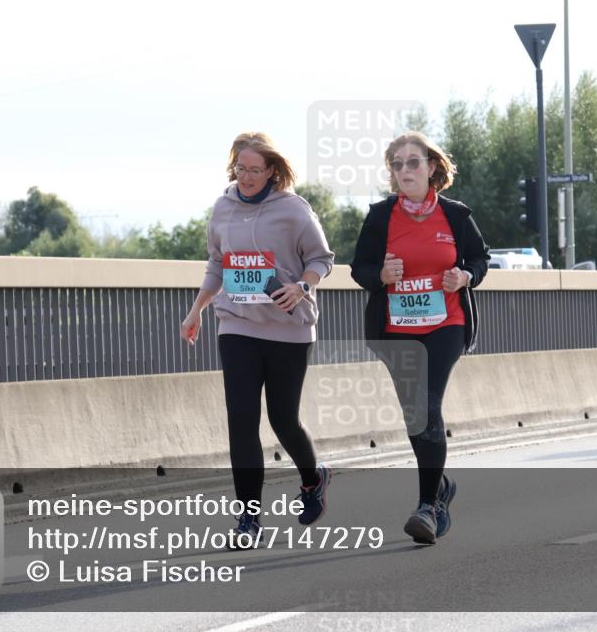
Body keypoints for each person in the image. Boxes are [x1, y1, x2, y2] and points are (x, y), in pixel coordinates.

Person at [181, 132, 335, 547]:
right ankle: (248, 522)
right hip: (237, 325)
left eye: (254, 170)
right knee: (242, 423)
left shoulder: (293, 209)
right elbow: (217, 263)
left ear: (272, 171)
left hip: (288, 329)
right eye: (240, 169)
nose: (246, 177)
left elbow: (322, 259)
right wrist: (197, 310)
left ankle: (312, 477)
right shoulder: (223, 207)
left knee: (283, 420)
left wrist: (302, 287)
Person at [350, 131, 490, 544]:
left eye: (414, 162)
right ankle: (441, 485)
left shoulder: (456, 215)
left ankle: (427, 505)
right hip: (396, 328)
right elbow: (360, 268)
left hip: (446, 323)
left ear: (431, 168)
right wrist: (381, 275)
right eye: (397, 164)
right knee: (415, 415)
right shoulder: (380, 216)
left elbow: (480, 259)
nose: (405, 170)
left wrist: (464, 276)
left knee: (428, 405)